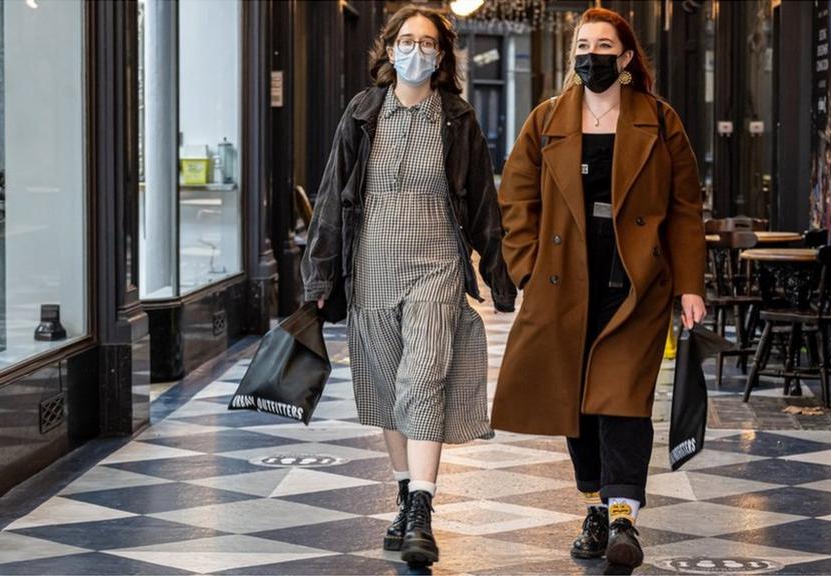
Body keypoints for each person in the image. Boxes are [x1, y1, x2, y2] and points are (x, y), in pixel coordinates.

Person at [300, 5, 516, 568]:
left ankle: (421, 508)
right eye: (406, 39)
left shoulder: (457, 118)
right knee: (390, 387)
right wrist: (318, 275)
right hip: (371, 271)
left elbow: (483, 207)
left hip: (437, 268)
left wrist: (500, 277)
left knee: (424, 377)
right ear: (389, 47)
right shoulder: (363, 112)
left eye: (427, 42)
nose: (415, 50)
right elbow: (330, 197)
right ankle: (404, 492)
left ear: (442, 56)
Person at [493, 7, 706, 569]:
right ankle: (593, 503)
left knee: (623, 399)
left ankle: (623, 518)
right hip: (562, 283)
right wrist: (526, 270)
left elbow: (685, 208)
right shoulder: (545, 120)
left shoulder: (660, 121)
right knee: (576, 399)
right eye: (583, 45)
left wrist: (689, 284)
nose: (592, 54)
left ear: (627, 57)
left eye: (604, 46)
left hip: (635, 283)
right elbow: (516, 203)